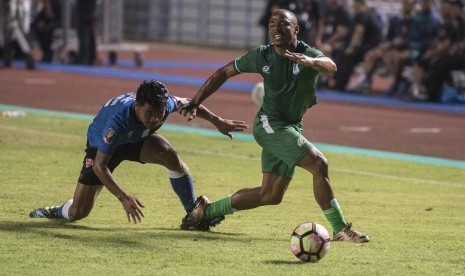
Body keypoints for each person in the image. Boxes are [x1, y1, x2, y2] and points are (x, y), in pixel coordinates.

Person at [179, 9, 369, 243]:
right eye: (272, 25)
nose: (276, 29)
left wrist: (311, 62)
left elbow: (331, 66)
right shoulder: (261, 55)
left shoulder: (309, 54)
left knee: (270, 195)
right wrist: (196, 101)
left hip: (291, 126)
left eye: (283, 24)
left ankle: (205, 212)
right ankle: (341, 229)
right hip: (269, 125)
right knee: (319, 164)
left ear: (296, 29)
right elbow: (223, 72)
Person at [29, 80, 248, 231]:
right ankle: (57, 210)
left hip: (134, 139)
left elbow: (190, 104)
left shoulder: (164, 104)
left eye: (159, 113)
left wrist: (217, 121)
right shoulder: (117, 122)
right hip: (104, 148)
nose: (155, 119)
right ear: (137, 106)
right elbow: (99, 165)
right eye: (149, 113)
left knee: (169, 154)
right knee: (78, 212)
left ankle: (193, 212)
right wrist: (123, 197)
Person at [329, 0, 383, 91]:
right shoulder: (367, 14)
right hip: (369, 46)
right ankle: (338, 82)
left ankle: (340, 84)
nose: (354, 6)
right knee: (344, 53)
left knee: (348, 56)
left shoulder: (362, 15)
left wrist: (351, 47)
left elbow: (358, 33)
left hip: (372, 47)